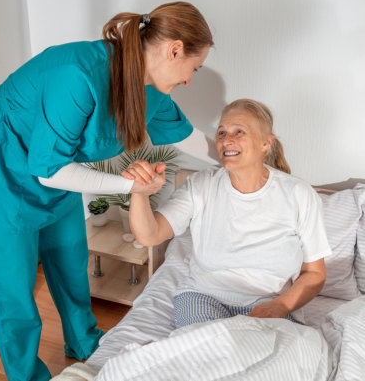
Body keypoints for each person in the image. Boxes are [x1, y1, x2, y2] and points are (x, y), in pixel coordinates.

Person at [0, 2, 213, 381]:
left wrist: (257, 163)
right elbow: (50, 170)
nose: (190, 80)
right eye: (194, 68)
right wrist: (130, 185)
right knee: (13, 293)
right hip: (0, 171)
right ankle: (26, 375)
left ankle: (85, 344)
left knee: (71, 263)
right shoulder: (78, 73)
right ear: (174, 50)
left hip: (54, 172)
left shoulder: (151, 90)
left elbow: (190, 138)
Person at [123, 98, 331, 328]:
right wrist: (140, 191)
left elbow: (314, 273)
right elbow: (149, 236)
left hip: (270, 303)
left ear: (266, 143)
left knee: (282, 357)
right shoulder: (200, 185)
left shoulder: (298, 194)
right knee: (206, 350)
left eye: (239, 131)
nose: (226, 140)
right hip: (203, 296)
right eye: (221, 133)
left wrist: (280, 306)